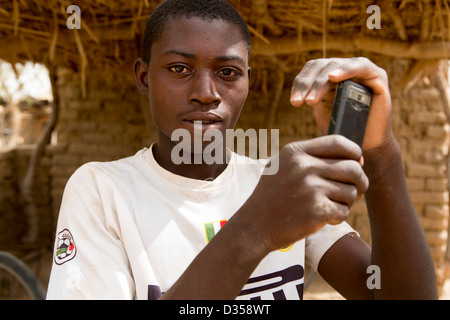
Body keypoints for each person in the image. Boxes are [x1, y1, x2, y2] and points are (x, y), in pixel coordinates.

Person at [46, 0, 438, 300]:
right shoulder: (102, 190)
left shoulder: (278, 184)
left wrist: (381, 153)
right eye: (180, 69)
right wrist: (257, 227)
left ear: (248, 81)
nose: (205, 93)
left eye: (227, 72)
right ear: (145, 77)